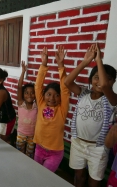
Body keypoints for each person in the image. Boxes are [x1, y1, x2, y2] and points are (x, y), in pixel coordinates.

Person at [65, 43, 117, 187]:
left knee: (94, 181)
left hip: (98, 148)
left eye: (107, 78)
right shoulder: (83, 94)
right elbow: (67, 81)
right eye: (96, 78)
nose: (100, 82)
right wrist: (86, 61)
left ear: (113, 82)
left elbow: (105, 86)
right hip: (78, 143)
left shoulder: (112, 99)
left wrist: (99, 60)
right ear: (90, 80)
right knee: (78, 176)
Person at [33, 46, 70, 172]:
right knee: (36, 173)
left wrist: (61, 66)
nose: (52, 98)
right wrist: (44, 64)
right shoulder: (41, 103)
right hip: (39, 148)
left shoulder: (62, 109)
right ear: (44, 95)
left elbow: (65, 89)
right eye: (49, 94)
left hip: (55, 152)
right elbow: (38, 86)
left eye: (56, 95)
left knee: (46, 178)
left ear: (60, 98)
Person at [16, 60, 37, 158]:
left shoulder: (36, 106)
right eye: (26, 92)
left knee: (29, 155)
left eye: (32, 92)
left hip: (32, 136)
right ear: (23, 95)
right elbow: (19, 87)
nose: (29, 95)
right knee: (20, 154)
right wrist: (23, 71)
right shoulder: (21, 104)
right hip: (21, 134)